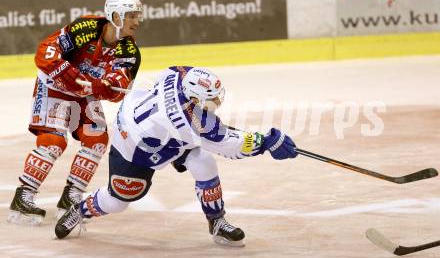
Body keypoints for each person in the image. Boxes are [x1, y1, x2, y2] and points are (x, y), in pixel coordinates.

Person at [54, 66, 298, 247]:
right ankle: (80, 209)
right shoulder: (193, 123)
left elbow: (167, 74)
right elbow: (230, 145)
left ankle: (217, 222)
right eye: (210, 99)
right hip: (135, 148)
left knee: (203, 162)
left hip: (154, 126)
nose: (216, 101)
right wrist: (267, 142)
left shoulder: (180, 75)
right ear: (194, 99)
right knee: (117, 201)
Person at [7, 0, 144, 225]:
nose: (137, 21)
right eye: (131, 15)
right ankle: (24, 196)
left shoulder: (129, 52)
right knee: (53, 141)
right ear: (115, 15)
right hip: (54, 86)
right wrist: (72, 76)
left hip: (84, 93)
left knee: (97, 139)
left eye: (137, 15)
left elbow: (117, 92)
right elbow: (45, 52)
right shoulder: (86, 28)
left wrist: (99, 86)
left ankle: (71, 196)